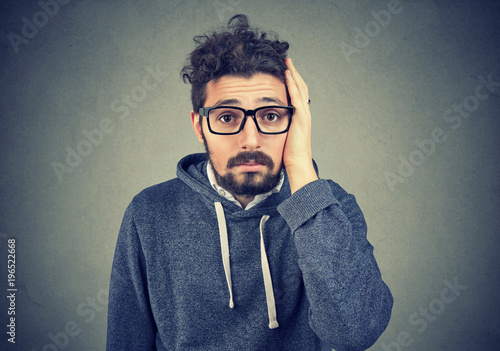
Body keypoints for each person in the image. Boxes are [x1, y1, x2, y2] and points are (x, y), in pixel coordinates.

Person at [106, 14, 393, 351]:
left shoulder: (332, 207)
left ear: (295, 121)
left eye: (270, 116)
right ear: (199, 126)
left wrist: (300, 166)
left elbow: (355, 333)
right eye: (227, 117)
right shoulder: (151, 212)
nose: (251, 140)